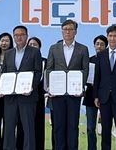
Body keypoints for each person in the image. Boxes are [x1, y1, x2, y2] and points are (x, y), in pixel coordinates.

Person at [45, 19, 89, 150]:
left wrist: (80, 86)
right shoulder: (54, 48)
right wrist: (51, 87)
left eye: (70, 29)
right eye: (65, 29)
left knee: (72, 126)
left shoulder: (83, 49)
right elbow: (49, 69)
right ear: (62, 31)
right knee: (58, 126)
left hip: (74, 94)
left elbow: (85, 69)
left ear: (75, 31)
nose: (68, 32)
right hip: (57, 94)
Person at [1, 25, 43, 150]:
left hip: (28, 97)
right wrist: (1, 89)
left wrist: (31, 87)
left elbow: (38, 72)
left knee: (28, 129)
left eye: (22, 35)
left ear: (26, 36)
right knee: (8, 129)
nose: (19, 37)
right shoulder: (8, 53)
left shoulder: (35, 52)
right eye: (16, 35)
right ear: (13, 37)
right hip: (10, 97)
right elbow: (4, 73)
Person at [84, 35, 108, 150]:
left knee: (105, 127)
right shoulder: (89, 60)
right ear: (94, 45)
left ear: (106, 46)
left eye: (102, 44)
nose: (99, 46)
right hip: (90, 96)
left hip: (105, 97)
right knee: (90, 128)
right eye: (97, 44)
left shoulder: (109, 60)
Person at [28, 37, 47, 150]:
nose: (32, 46)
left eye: (35, 44)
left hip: (39, 96)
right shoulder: (23, 60)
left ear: (39, 47)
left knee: (39, 124)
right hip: (24, 96)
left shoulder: (45, 60)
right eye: (30, 44)